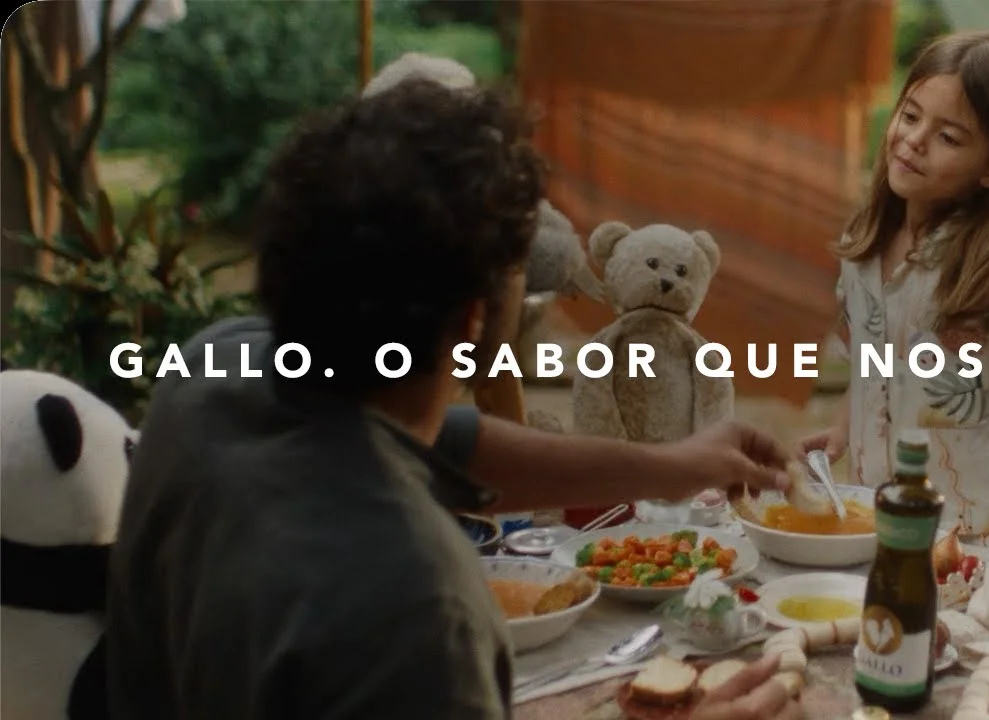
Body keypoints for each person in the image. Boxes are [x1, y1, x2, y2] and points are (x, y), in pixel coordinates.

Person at [106, 78, 801, 720]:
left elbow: (450, 443)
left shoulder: (213, 366)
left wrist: (672, 465)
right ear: (474, 322)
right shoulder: (419, 604)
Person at [799, 31, 989, 539]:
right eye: (910, 116)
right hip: (875, 518)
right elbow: (873, 359)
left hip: (980, 534)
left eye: (948, 137)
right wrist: (841, 433)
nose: (914, 140)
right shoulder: (863, 249)